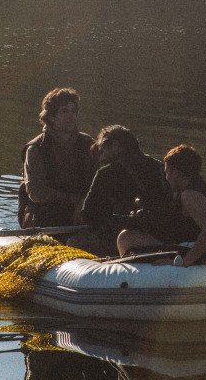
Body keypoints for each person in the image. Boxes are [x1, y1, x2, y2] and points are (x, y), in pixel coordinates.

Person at [79, 125, 175, 255]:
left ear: (115, 146)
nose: (101, 157)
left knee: (74, 241)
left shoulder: (106, 173)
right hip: (161, 235)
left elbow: (87, 214)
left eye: (103, 150)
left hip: (121, 238)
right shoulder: (159, 167)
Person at [17, 87, 96, 229]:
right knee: (53, 212)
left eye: (73, 111)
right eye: (64, 111)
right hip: (42, 212)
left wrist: (83, 202)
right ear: (51, 117)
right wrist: (73, 200)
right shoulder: (36, 148)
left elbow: (99, 182)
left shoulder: (88, 144)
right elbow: (36, 193)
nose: (71, 116)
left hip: (80, 207)